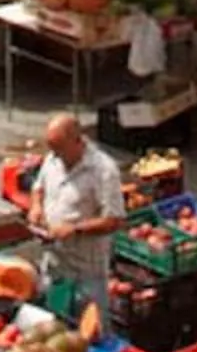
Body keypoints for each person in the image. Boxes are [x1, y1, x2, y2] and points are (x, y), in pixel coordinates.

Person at [31, 114, 126, 303]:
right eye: (52, 148)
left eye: (59, 148)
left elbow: (115, 220)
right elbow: (38, 186)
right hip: (53, 262)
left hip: (85, 270)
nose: (55, 154)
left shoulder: (104, 171)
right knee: (55, 321)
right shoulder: (53, 158)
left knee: (89, 324)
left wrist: (74, 229)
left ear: (77, 141)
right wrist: (36, 207)